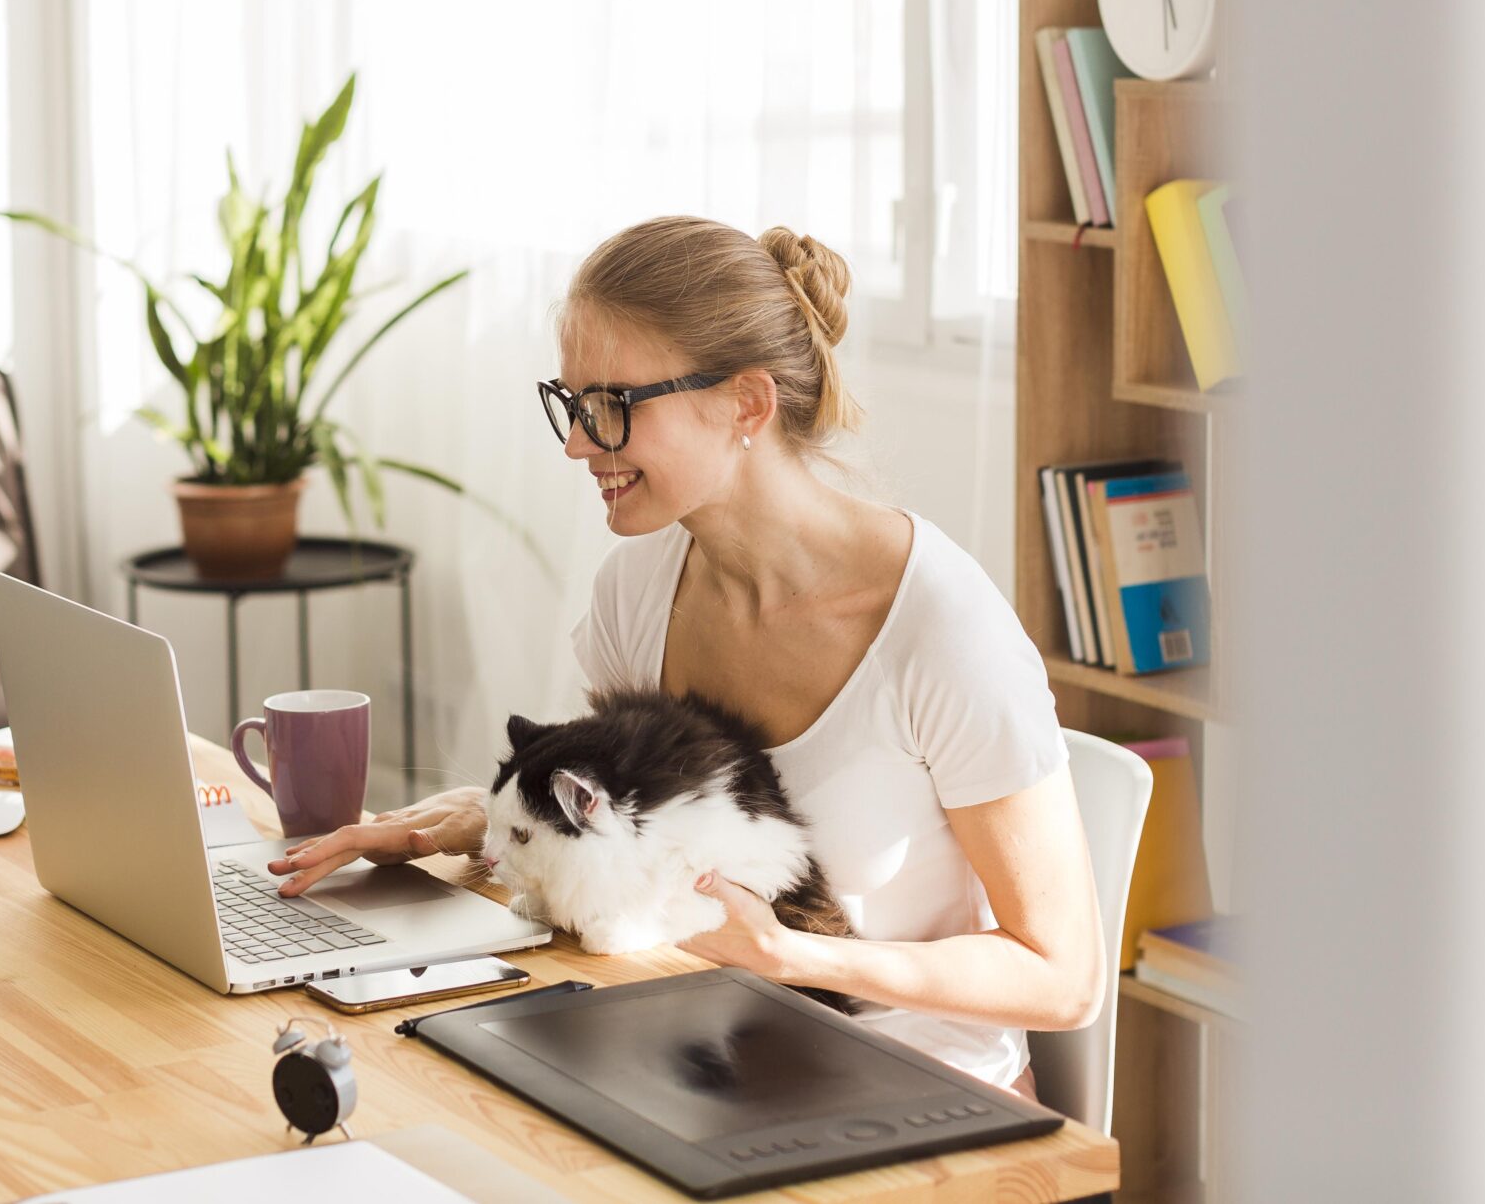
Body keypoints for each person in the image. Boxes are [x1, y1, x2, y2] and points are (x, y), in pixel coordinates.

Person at [269, 216, 1101, 1092]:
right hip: (698, 1058)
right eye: (573, 403)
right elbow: (624, 832)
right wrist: (461, 822)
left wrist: (796, 955)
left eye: (613, 406)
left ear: (745, 403)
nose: (578, 444)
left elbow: (1063, 976)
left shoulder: (941, 629)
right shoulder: (637, 592)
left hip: (916, 1097)